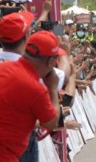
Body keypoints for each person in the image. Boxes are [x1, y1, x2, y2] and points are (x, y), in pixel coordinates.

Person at [0, 31, 62, 161]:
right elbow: (52, 123)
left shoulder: (4, 67)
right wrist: (52, 88)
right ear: (51, 62)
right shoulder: (36, 89)